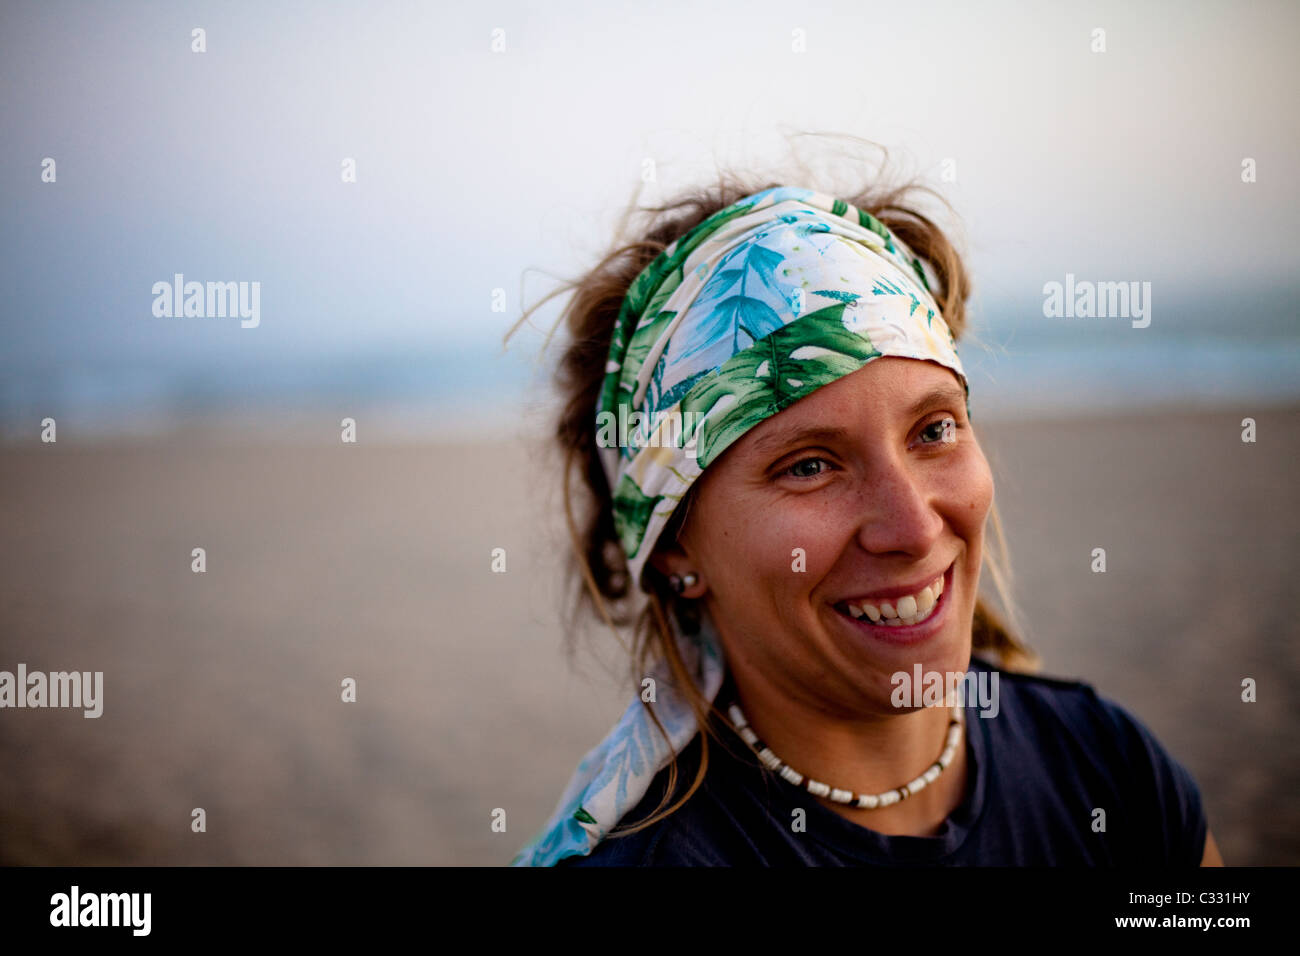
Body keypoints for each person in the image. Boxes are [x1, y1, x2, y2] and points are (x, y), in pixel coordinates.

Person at [508, 178, 1222, 867]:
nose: (912, 527)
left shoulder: (1112, 770)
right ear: (672, 549)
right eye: (810, 466)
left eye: (933, 430)